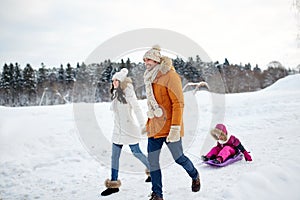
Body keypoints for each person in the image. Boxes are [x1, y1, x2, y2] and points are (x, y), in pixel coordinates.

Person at [143, 45, 201, 200]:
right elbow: (153, 103)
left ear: (156, 60)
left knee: (179, 158)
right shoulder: (149, 77)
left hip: (170, 127)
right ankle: (157, 195)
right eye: (144, 60)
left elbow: (178, 103)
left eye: (148, 59)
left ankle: (195, 175)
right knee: (153, 162)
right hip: (155, 128)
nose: (145, 62)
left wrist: (175, 127)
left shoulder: (170, 76)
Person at [101, 68, 151, 196]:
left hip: (129, 129)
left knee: (136, 152)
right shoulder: (115, 94)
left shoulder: (128, 93)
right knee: (114, 157)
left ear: (121, 81)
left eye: (116, 80)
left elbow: (137, 109)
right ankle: (113, 185)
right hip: (117, 131)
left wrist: (143, 125)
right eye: (112, 81)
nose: (113, 83)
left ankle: (152, 170)